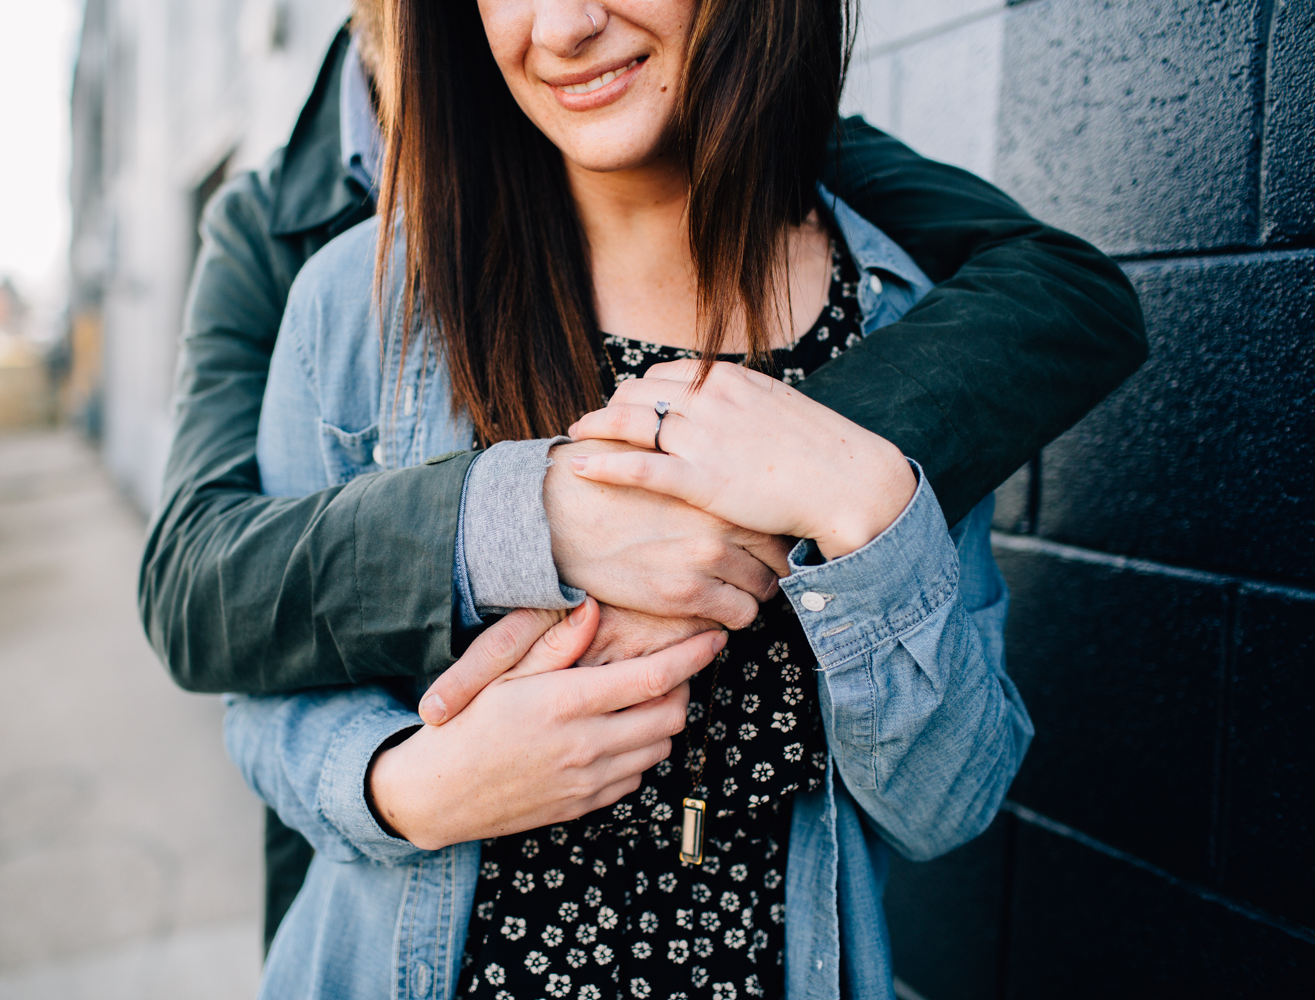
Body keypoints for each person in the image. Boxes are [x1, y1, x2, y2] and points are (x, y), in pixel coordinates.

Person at [141, 0, 1146, 961]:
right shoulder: (341, 283)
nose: (564, 26)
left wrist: (854, 507)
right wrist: (412, 773)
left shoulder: (890, 315)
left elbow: (951, 799)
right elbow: (217, 612)